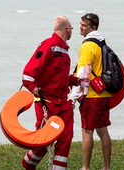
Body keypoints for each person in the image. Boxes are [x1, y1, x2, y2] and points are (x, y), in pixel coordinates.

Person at [20, 16, 80, 170]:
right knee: (44, 139)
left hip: (63, 103)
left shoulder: (64, 49)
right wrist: (33, 89)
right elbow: (27, 74)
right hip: (47, 102)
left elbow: (57, 77)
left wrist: (74, 80)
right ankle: (28, 163)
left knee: (66, 137)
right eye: (72, 29)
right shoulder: (49, 45)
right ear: (67, 30)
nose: (72, 31)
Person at [75, 13, 113, 170]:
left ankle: (85, 167)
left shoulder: (87, 45)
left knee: (87, 131)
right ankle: (106, 167)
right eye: (80, 24)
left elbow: (82, 73)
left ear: (93, 28)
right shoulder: (102, 43)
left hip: (91, 95)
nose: (80, 27)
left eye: (84, 25)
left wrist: (76, 94)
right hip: (104, 93)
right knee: (103, 130)